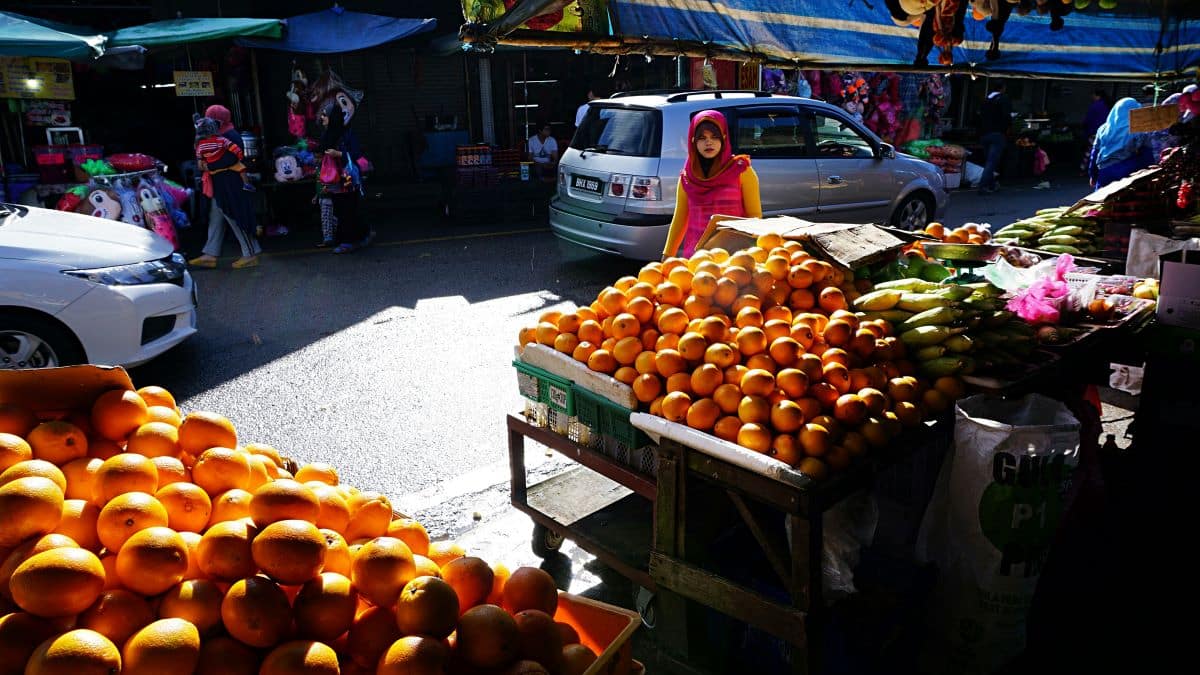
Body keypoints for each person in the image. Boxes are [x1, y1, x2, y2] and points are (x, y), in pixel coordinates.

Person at [661, 110, 762, 259]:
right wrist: (667, 254)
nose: (709, 142)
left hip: (735, 259)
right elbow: (680, 219)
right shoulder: (687, 178)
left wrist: (752, 255)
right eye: (702, 138)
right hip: (697, 259)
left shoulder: (742, 171)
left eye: (715, 136)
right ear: (693, 141)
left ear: (724, 138)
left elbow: (755, 217)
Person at [188, 104, 262, 269]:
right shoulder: (217, 135)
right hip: (220, 183)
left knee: (235, 216)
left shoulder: (230, 135)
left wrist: (208, 166)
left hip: (230, 184)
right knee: (216, 216)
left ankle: (250, 253)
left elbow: (232, 159)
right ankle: (210, 253)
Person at [316, 100, 369, 254]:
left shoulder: (347, 134)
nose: (322, 118)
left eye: (325, 115)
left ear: (333, 117)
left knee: (348, 209)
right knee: (341, 210)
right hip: (334, 181)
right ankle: (359, 236)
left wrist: (338, 154)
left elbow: (357, 154)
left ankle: (349, 241)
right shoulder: (328, 134)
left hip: (347, 179)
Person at [1088, 97, 1155, 189]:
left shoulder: (1103, 129)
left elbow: (1094, 154)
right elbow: (1147, 156)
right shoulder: (1140, 130)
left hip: (1104, 172)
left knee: (1101, 201)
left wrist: (1093, 175)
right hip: (1129, 172)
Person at [193, 115, 254, 193]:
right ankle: (246, 184)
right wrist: (240, 154)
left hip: (212, 171)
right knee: (242, 168)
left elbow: (199, 158)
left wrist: (205, 165)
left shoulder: (200, 145)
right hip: (228, 171)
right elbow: (232, 147)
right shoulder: (221, 139)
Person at [977, 82, 1011, 194]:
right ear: (1003, 88)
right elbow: (1007, 117)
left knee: (989, 161)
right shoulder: (1003, 99)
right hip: (997, 134)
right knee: (992, 162)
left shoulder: (985, 100)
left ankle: (992, 184)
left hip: (984, 133)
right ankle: (983, 186)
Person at [1081, 88, 1113, 173]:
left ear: (1097, 96)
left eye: (1093, 95)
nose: (1092, 97)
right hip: (1106, 132)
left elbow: (1088, 120)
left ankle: (1085, 170)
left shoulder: (1095, 106)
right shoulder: (1108, 105)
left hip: (1094, 132)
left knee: (1090, 152)